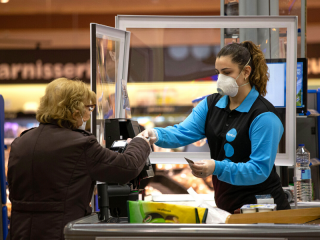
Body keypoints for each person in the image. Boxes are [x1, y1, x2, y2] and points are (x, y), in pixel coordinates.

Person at [141, 41, 290, 214]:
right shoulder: (212, 104)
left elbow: (259, 170)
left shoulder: (264, 116)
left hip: (262, 211)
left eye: (227, 73)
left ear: (246, 72)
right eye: (218, 73)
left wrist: (216, 167)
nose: (221, 79)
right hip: (228, 207)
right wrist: (154, 134)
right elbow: (182, 132)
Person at [7, 78, 151, 240]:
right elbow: (127, 167)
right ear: (74, 109)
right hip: (62, 232)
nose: (89, 114)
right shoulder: (80, 144)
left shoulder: (20, 142)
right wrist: (141, 141)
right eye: (89, 107)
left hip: (20, 232)